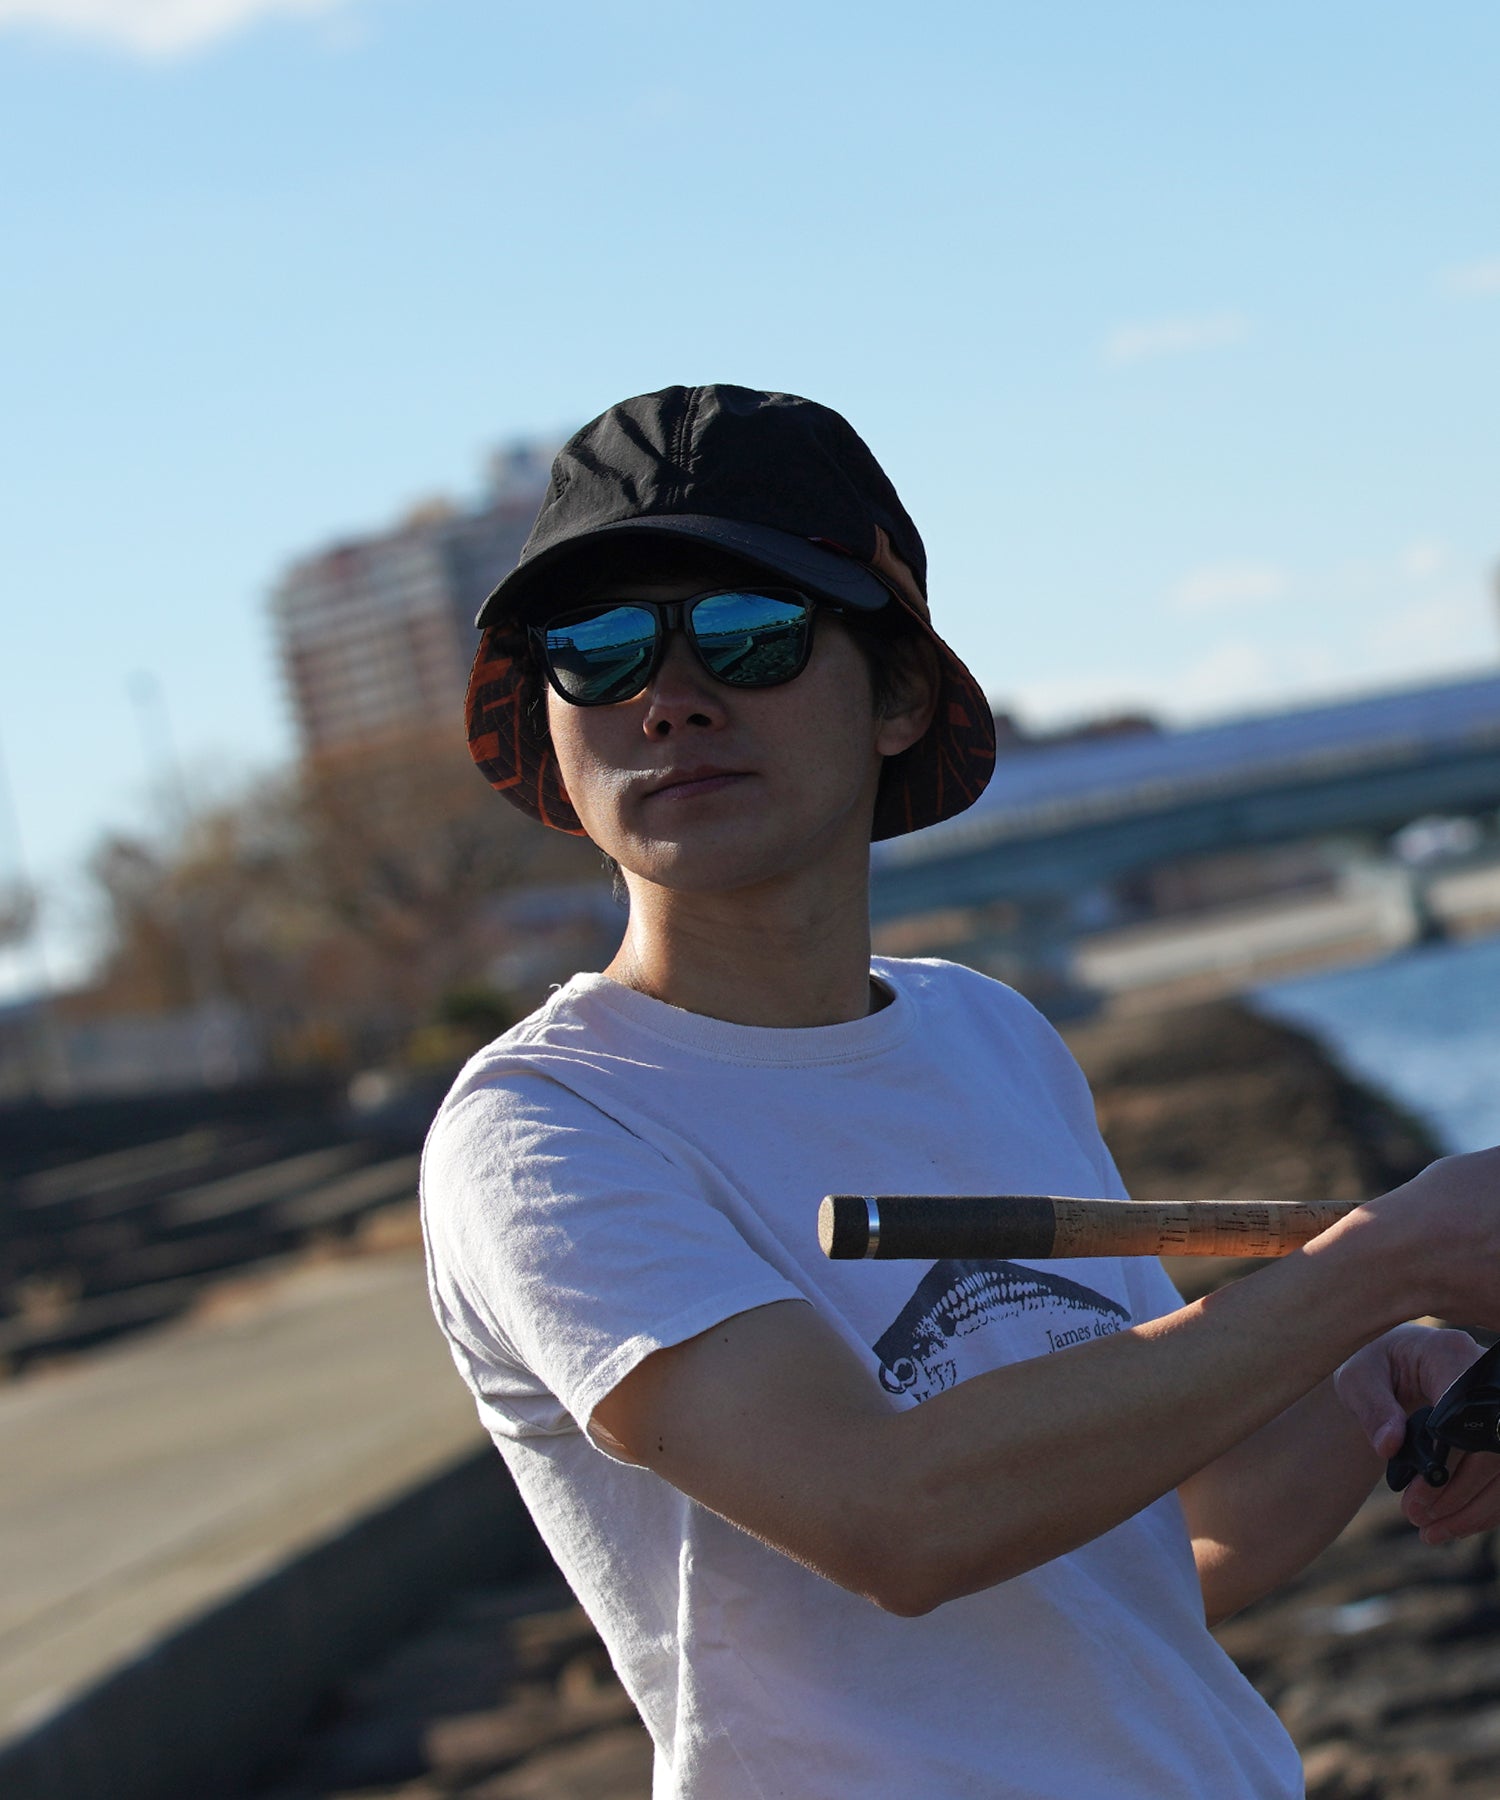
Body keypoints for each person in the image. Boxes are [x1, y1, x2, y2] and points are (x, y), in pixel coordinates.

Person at [422, 383, 1500, 1798]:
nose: (669, 697)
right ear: (552, 722)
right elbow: (894, 1517)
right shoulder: (548, 1130)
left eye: (750, 632)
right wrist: (1380, 1264)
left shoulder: (987, 1032)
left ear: (899, 695)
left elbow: (1157, 1550)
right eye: (598, 648)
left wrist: (1364, 1379)